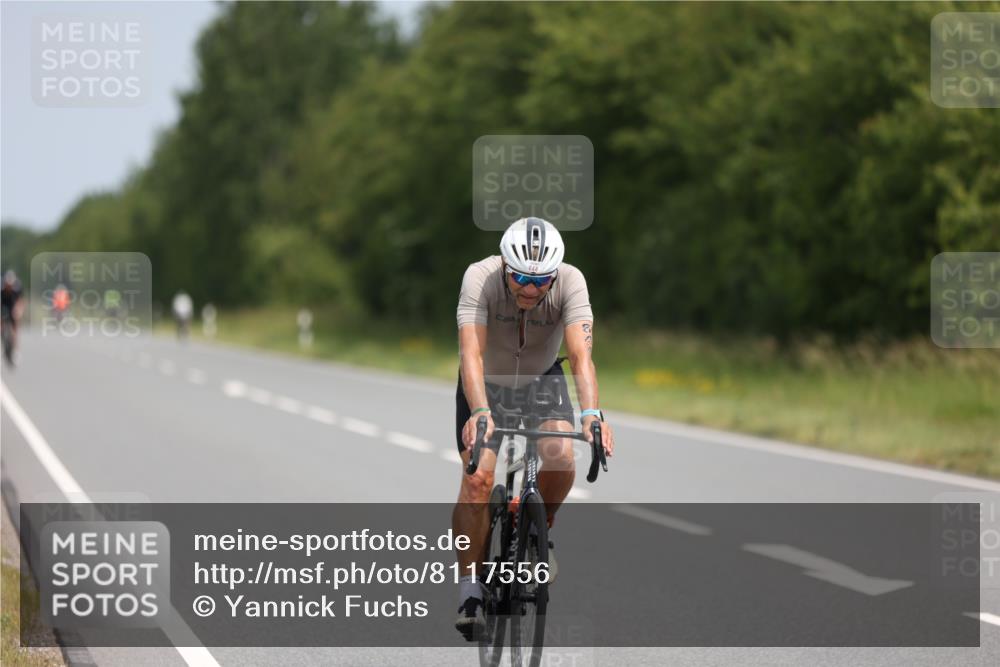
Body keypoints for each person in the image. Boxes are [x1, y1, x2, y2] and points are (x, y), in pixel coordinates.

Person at [452, 217, 615, 640]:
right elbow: (471, 353)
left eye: (540, 281)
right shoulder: (480, 278)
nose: (530, 288)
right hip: (485, 384)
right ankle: (471, 589)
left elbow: (581, 357)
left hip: (542, 381)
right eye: (521, 277)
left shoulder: (571, 282)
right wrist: (480, 411)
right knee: (478, 480)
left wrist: (592, 414)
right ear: (506, 266)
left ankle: (542, 527)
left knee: (561, 452)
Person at [1, 270, 25, 365]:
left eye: (11, 285)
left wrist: (18, 310)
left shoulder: (17, 288)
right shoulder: (1, 288)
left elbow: (21, 301)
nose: (9, 287)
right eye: (7, 284)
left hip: (13, 304)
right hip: (3, 303)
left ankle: (15, 350)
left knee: (15, 326)